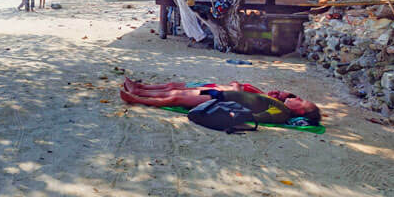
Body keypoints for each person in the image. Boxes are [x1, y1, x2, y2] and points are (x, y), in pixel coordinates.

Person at [119, 85, 321, 125]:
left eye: (301, 100)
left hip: (221, 100)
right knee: (179, 93)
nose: (297, 97)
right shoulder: (280, 104)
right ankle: (140, 90)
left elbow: (260, 117)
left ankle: (136, 98)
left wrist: (238, 115)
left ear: (300, 110)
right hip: (222, 94)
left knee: (176, 98)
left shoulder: (282, 111)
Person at [124, 78, 265, 95]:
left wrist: (236, 85)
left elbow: (238, 95)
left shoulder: (261, 99)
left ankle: (138, 91)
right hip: (212, 86)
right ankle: (141, 86)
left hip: (214, 91)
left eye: (275, 95)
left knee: (173, 90)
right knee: (172, 85)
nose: (274, 92)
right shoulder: (260, 92)